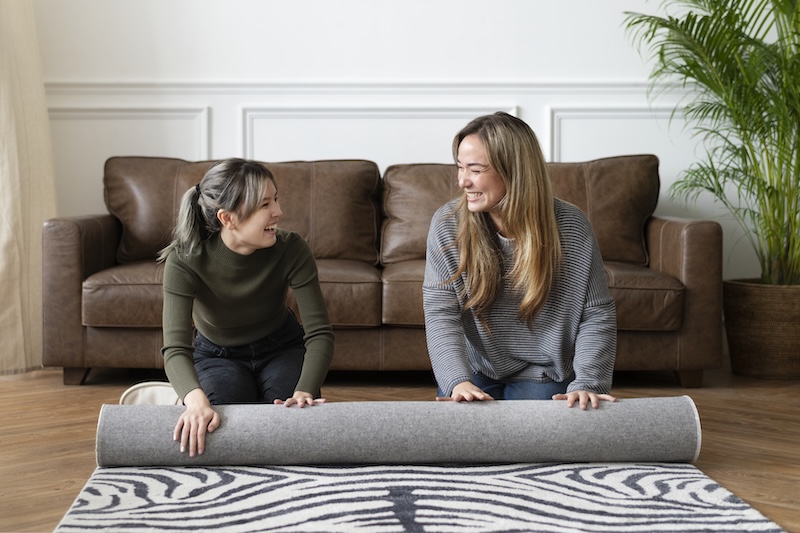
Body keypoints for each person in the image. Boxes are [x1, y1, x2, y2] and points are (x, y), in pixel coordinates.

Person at [423, 112, 617, 409]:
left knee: (539, 435)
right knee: (463, 435)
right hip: (477, 369)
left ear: (513, 171)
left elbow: (595, 313)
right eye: (460, 167)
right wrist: (457, 381)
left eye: (475, 170)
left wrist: (588, 383)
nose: (462, 181)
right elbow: (440, 312)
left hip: (545, 372)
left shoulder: (571, 226)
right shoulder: (448, 223)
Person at [159, 158, 334, 457]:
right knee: (219, 424)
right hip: (217, 355)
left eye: (276, 199)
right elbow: (175, 347)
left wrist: (305, 389)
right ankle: (184, 394)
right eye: (265, 204)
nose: (278, 211)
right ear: (228, 218)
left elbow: (319, 333)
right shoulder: (184, 259)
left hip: (281, 347)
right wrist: (196, 400)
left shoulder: (291, 248)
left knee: (292, 424)